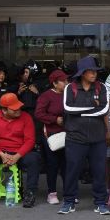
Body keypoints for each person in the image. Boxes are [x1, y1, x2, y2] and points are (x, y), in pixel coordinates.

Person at [59, 56, 110, 215]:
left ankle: (101, 203)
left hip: (98, 138)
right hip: (75, 137)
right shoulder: (70, 88)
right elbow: (68, 108)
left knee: (99, 171)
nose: (94, 74)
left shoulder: (102, 88)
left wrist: (81, 111)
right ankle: (69, 201)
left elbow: (104, 109)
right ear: (82, 73)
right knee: (72, 170)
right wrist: (91, 110)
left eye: (95, 71)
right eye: (90, 71)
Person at [0, 93, 41, 209]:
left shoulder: (26, 117)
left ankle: (30, 193)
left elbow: (30, 141)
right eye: (14, 109)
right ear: (4, 110)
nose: (18, 110)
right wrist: (1, 154)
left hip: (19, 152)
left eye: (19, 107)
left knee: (34, 159)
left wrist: (17, 156)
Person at [34, 69, 68, 205]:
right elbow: (38, 114)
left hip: (68, 134)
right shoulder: (46, 96)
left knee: (68, 164)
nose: (67, 83)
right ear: (55, 83)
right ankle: (52, 193)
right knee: (52, 164)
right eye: (63, 81)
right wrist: (55, 119)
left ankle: (69, 192)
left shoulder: (69, 94)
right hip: (51, 135)